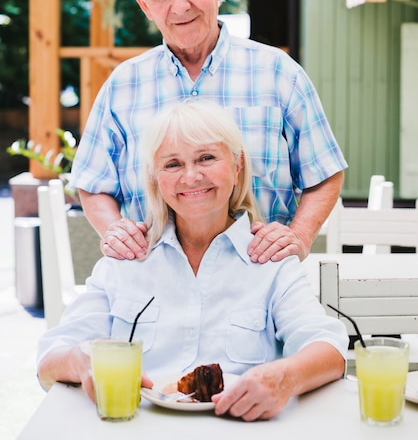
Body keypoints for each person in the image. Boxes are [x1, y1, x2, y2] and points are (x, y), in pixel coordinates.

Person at [38, 101, 348, 422]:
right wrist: (83, 360)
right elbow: (50, 357)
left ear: (237, 164)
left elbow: (330, 349)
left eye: (207, 158)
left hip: (241, 427)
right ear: (155, 177)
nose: (191, 176)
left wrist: (283, 378)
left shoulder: (270, 259)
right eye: (172, 164)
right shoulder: (127, 259)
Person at [70, 0, 347, 263]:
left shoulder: (278, 72)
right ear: (145, 5)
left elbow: (325, 173)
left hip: (263, 282)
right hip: (154, 283)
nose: (179, 5)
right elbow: (93, 181)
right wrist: (115, 231)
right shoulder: (123, 84)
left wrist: (299, 238)